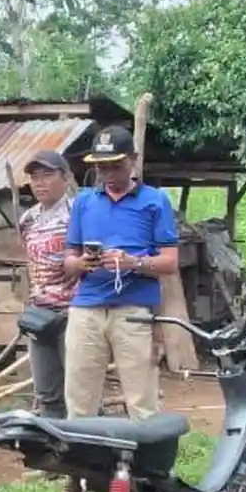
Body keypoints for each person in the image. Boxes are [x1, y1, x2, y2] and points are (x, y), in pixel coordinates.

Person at [61, 125, 179, 421]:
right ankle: (81, 462)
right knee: (79, 397)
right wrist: (81, 264)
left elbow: (170, 262)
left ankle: (147, 465)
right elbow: (69, 258)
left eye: (116, 165)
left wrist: (134, 263)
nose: (109, 173)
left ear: (133, 160)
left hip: (133, 311)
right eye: (102, 167)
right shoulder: (84, 203)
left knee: (142, 400)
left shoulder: (155, 201)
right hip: (86, 310)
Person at [16, 149, 76, 419]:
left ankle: (89, 454)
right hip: (39, 315)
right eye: (34, 177)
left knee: (79, 391)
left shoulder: (78, 213)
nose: (39, 182)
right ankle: (55, 454)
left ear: (65, 178)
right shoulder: (28, 219)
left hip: (74, 313)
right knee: (47, 392)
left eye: (47, 175)